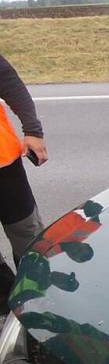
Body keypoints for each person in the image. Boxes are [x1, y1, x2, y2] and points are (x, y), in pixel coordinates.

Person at [0, 54, 48, 314]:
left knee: (28, 237)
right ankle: (7, 310)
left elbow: (9, 82)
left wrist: (32, 130)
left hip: (3, 166)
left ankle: (38, 305)